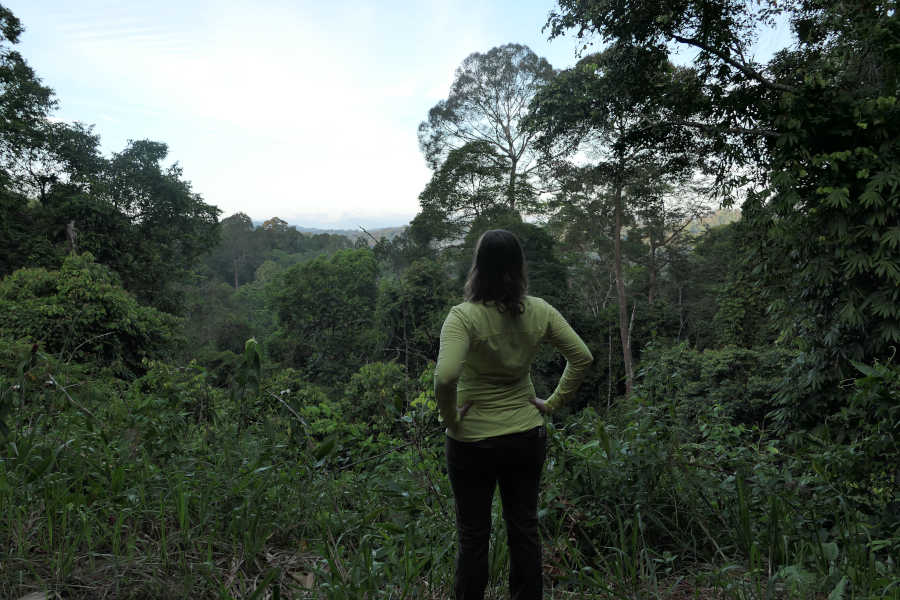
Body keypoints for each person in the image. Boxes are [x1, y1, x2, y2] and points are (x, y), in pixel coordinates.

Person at [435, 229, 593, 600]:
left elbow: (445, 376)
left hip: (472, 441)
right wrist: (552, 403)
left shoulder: (463, 318)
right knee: (523, 527)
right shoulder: (540, 310)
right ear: (519, 268)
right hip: (525, 435)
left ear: (478, 268)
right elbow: (582, 357)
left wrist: (452, 419)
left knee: (473, 534)